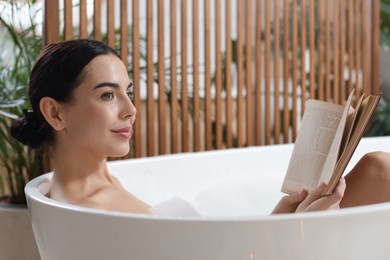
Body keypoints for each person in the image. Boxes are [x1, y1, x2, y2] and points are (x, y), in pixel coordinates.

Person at [11, 39, 348, 215]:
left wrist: (280, 219)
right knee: (378, 167)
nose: (131, 110)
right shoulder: (92, 207)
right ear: (55, 113)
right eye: (107, 95)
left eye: (127, 93)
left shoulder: (102, 189)